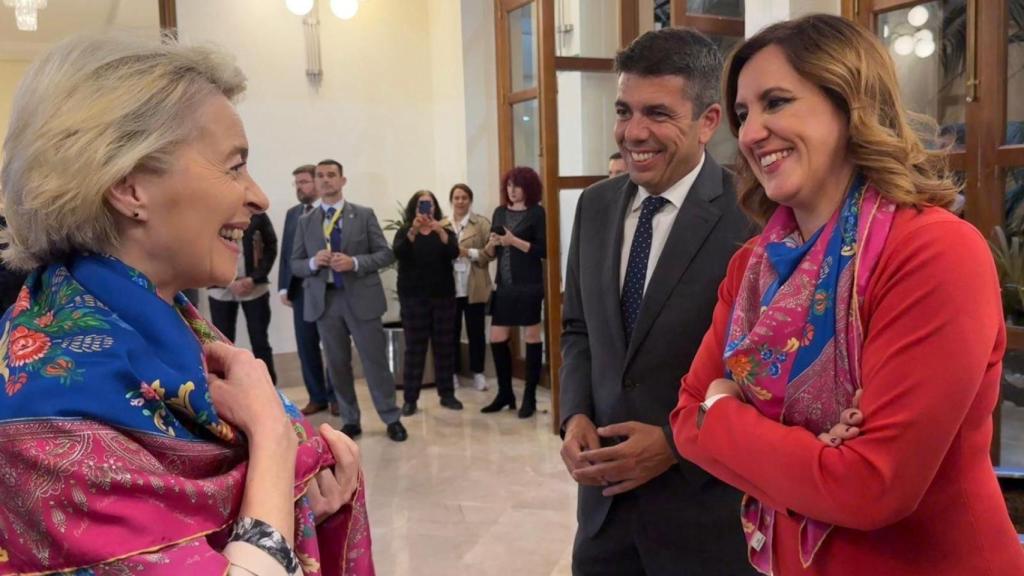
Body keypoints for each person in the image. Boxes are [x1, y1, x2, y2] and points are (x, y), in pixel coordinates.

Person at [0, 34, 373, 575]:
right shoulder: (48, 409)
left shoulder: (165, 326)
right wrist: (271, 438)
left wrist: (313, 503)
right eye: (234, 166)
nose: (259, 196)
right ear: (129, 187)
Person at [670, 14, 1024, 575]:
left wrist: (725, 410)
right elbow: (685, 421)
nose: (751, 131)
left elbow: (871, 487)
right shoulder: (753, 268)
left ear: (849, 103)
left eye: (777, 102)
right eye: (743, 113)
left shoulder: (934, 252)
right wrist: (813, 452)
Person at [559, 28, 755, 575]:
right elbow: (578, 328)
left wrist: (675, 444)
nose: (633, 132)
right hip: (602, 518)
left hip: (703, 521)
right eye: (624, 110)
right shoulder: (594, 208)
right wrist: (574, 414)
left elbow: (765, 368)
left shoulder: (753, 217)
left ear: (708, 121)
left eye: (658, 114)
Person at [290, 159, 408, 442]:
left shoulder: (363, 215)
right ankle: (350, 419)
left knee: (374, 361)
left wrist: (354, 262)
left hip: (361, 298)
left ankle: (391, 417)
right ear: (315, 183)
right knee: (337, 364)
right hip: (326, 302)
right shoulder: (306, 222)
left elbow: (386, 253)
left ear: (343, 181)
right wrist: (313, 263)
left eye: (332, 175)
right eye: (320, 176)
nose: (326, 180)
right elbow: (294, 263)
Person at [481, 166, 546, 418]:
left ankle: (529, 396)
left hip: (529, 284)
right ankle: (505, 393)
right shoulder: (499, 212)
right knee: (497, 337)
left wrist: (513, 241)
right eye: (508, 185)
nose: (512, 190)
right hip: (504, 286)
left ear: (528, 188)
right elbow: (490, 253)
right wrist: (492, 244)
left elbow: (543, 250)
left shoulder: (537, 213)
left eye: (516, 186)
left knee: (531, 336)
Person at [393, 190, 463, 414]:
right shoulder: (405, 231)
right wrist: (413, 229)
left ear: (435, 208)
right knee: (415, 349)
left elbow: (453, 252)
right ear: (414, 208)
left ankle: (447, 394)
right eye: (422, 205)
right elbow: (399, 253)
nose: (427, 209)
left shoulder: (444, 230)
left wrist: (440, 231)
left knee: (444, 346)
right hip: (413, 298)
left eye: (430, 204)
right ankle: (410, 399)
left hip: (443, 296)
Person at [279, 164, 336, 416]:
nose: (299, 187)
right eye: (296, 183)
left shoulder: (330, 212)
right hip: (300, 290)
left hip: (327, 289)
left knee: (333, 345)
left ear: (316, 182)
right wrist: (283, 286)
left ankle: (337, 397)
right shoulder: (293, 214)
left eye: (303, 182)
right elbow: (287, 253)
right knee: (306, 345)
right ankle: (317, 396)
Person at [208, 210, 279, 384]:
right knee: (222, 344)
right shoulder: (211, 212)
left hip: (255, 288)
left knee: (260, 339)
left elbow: (271, 245)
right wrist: (226, 280)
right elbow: (201, 248)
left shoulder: (257, 215)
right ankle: (227, 389)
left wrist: (255, 277)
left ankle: (269, 386)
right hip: (221, 289)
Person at [441, 183, 492, 392]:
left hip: (474, 285)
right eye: (456, 197)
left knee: (476, 332)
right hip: (449, 287)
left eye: (464, 198)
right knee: (450, 333)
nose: (460, 201)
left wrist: (467, 253)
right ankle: (452, 373)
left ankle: (478, 373)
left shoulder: (480, 223)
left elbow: (490, 253)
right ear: (451, 200)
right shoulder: (441, 224)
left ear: (470, 200)